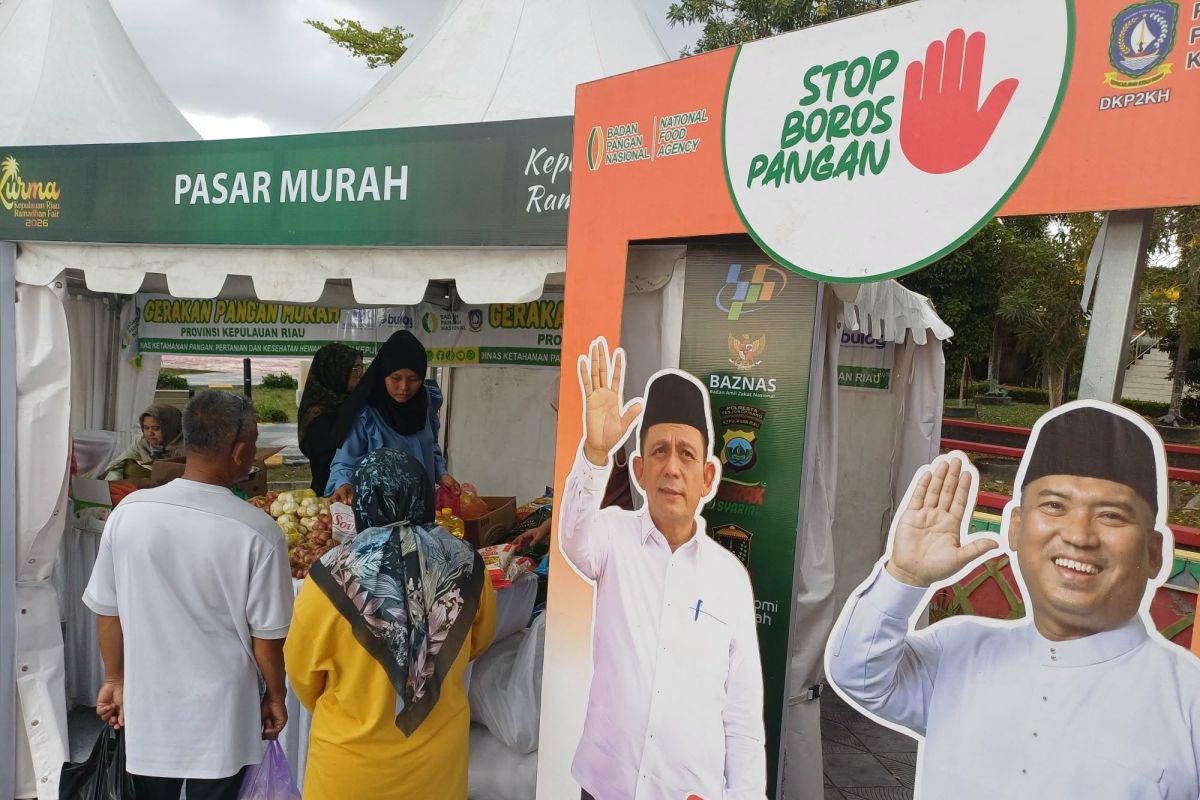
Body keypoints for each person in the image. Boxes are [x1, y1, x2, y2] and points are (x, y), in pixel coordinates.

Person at [826, 401, 1200, 799]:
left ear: (1154, 552)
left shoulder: (1189, 702)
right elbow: (860, 675)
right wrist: (904, 578)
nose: (1078, 536)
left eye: (1111, 515)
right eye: (1054, 506)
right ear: (1016, 527)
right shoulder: (959, 649)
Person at [560, 337, 767, 800]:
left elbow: (742, 718)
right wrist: (595, 454)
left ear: (707, 477)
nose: (672, 467)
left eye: (686, 454)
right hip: (605, 787)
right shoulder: (612, 536)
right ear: (639, 469)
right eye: (658, 451)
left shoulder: (730, 579)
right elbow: (573, 538)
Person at [83, 390, 293, 800]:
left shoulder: (129, 513)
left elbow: (108, 611)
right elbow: (267, 638)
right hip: (224, 714)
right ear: (240, 451)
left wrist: (113, 678)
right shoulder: (258, 532)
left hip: (149, 705)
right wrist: (276, 694)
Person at [285, 447, 496, 800]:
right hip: (436, 766)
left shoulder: (328, 575)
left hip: (350, 766)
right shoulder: (467, 564)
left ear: (361, 503)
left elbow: (303, 674)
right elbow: (478, 641)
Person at [327, 330, 459, 504]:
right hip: (381, 509)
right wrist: (344, 483)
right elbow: (345, 460)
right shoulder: (367, 413)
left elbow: (430, 444)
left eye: (413, 379)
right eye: (396, 378)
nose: (404, 387)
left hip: (423, 504)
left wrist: (441, 473)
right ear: (383, 374)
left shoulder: (425, 403)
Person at [297, 343, 364, 494]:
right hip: (331, 495)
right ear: (335, 371)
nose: (360, 374)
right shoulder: (321, 417)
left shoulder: (349, 403)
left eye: (361, 367)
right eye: (355, 369)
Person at [101, 403, 186, 479]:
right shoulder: (142, 443)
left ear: (170, 428)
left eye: (156, 428)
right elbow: (116, 465)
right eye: (146, 428)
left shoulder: (188, 449)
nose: (150, 433)